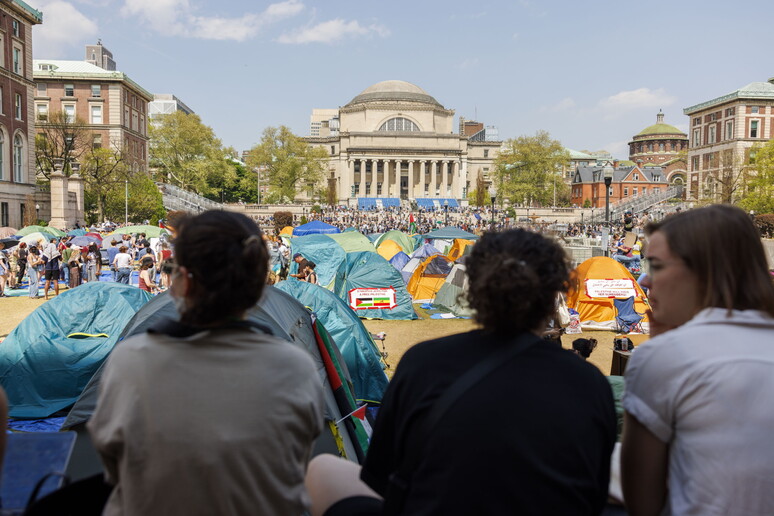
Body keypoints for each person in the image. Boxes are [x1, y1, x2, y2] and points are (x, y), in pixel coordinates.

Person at [306, 229, 617, 515]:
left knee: (322, 469)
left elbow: (382, 474)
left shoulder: (423, 363)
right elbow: (594, 487)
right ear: (554, 294)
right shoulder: (588, 382)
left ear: (473, 289)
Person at [88, 210, 325, 515]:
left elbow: (112, 462)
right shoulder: (295, 366)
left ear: (182, 281)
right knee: (330, 470)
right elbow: (297, 459)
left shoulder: (131, 362)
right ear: (257, 288)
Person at [621, 205, 774, 516]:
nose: (646, 282)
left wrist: (662, 350)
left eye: (657, 267)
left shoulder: (665, 357)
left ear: (705, 271)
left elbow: (642, 501)